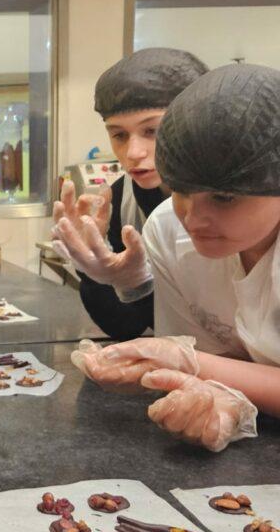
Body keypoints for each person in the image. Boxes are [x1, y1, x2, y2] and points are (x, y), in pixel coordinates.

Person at [71, 63, 280, 452]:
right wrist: (209, 395)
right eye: (180, 191)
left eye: (224, 197)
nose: (193, 219)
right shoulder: (168, 230)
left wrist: (188, 363)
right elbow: (218, 362)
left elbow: (202, 362)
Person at [51, 48, 208, 340]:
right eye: (119, 135)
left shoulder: (238, 202)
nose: (133, 153)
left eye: (153, 131)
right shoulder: (120, 200)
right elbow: (126, 326)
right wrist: (96, 270)